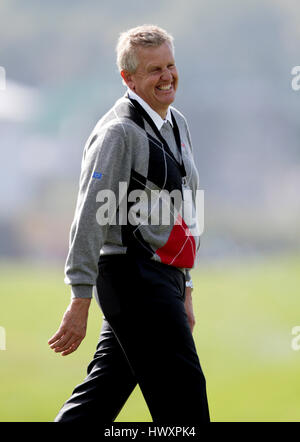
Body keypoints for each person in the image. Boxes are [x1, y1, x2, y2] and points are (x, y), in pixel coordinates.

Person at [48, 24, 210, 423]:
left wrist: (185, 285)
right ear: (129, 78)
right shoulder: (119, 132)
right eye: (154, 70)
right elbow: (90, 214)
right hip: (135, 281)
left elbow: (189, 203)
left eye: (170, 65)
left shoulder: (178, 123)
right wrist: (80, 295)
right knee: (186, 408)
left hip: (164, 281)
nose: (167, 76)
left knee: (99, 399)